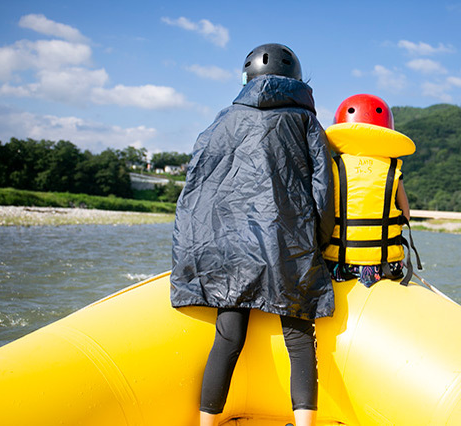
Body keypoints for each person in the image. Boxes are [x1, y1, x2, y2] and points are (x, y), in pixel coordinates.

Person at [170, 43, 335, 426]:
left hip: (229, 250)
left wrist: (198, 251)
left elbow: (196, 189)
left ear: (247, 80)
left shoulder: (222, 120)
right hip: (287, 245)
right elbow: (323, 193)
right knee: (298, 339)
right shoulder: (306, 122)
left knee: (228, 337)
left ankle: (206, 423)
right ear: (295, 80)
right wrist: (319, 245)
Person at [322, 94, 421, 287]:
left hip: (339, 266)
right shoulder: (392, 170)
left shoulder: (334, 168)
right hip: (385, 267)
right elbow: (406, 216)